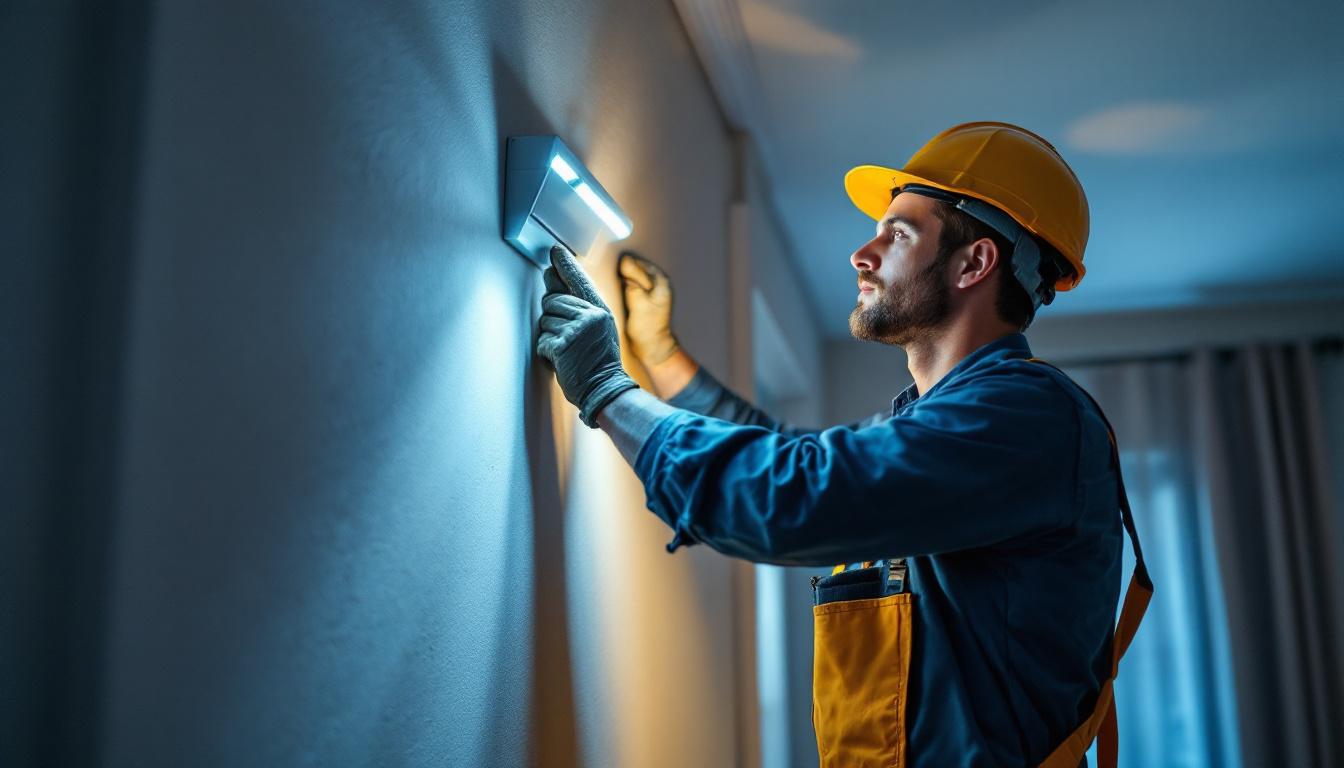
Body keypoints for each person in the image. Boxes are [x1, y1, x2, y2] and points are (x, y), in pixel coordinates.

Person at [536, 122, 1151, 768]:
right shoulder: (955, 428)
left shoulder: (1025, 418)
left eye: (898, 234)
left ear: (975, 263)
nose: (863, 253)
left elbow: (808, 496)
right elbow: (812, 469)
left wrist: (608, 392)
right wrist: (663, 362)